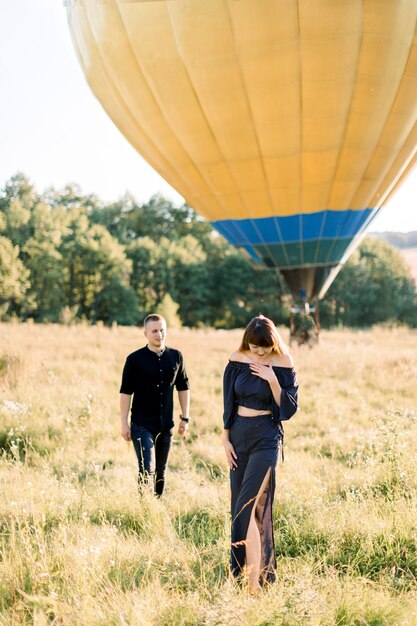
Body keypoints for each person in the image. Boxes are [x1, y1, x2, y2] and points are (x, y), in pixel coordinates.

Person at [222, 315, 298, 592]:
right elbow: (228, 400)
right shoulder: (237, 358)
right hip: (238, 436)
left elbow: (289, 410)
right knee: (238, 510)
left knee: (249, 506)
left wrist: (272, 380)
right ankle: (242, 578)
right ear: (248, 342)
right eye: (255, 348)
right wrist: (225, 437)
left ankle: (254, 584)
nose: (259, 353)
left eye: (264, 348)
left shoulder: (283, 363)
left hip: (266, 437)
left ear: (273, 342)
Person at [119, 314, 190, 496]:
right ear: (146, 333)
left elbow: (183, 387)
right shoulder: (134, 359)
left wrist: (185, 417)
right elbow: (126, 392)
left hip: (166, 425)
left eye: (162, 330)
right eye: (155, 331)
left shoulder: (176, 356)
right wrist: (124, 423)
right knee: (146, 470)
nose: (159, 334)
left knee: (160, 472)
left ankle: (157, 507)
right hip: (141, 424)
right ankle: (145, 510)